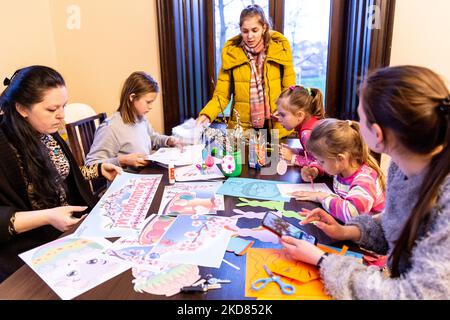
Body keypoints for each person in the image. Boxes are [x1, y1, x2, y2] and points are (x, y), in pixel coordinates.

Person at [281, 65, 450, 299]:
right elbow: (395, 226)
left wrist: (323, 261)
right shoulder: (402, 168)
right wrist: (347, 231)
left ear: (377, 134)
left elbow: (413, 295)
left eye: (360, 117)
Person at [0, 66, 122, 281]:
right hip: (29, 251)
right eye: (52, 109)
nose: (61, 116)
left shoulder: (47, 135)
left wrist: (98, 170)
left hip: (66, 234)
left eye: (63, 106)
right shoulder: (5, 148)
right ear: (22, 108)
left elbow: (60, 176)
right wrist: (47, 216)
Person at [196, 4, 296, 139]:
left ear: (264, 28)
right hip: (242, 129)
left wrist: (285, 111)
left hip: (275, 125)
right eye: (245, 31)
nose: (250, 36)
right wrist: (206, 115)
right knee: (242, 160)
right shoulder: (232, 55)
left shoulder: (279, 50)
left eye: (255, 30)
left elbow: (289, 90)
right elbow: (221, 96)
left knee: (273, 159)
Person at [292, 118, 386, 223]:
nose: (318, 163)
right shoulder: (342, 168)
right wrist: (315, 170)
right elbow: (328, 168)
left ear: (340, 158)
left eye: (321, 161)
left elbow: (352, 214)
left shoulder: (365, 180)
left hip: (370, 233)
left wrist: (321, 197)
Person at [85, 71, 182, 170]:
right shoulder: (110, 128)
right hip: (126, 181)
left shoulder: (140, 118)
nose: (151, 107)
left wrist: (168, 140)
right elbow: (90, 165)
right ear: (132, 97)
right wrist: (123, 160)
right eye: (148, 102)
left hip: (143, 175)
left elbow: (151, 137)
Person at [275, 85, 325, 173]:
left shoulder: (307, 134)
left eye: (282, 115)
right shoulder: (310, 124)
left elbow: (322, 163)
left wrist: (293, 157)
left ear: (300, 115)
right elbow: (311, 154)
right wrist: (295, 151)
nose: (279, 119)